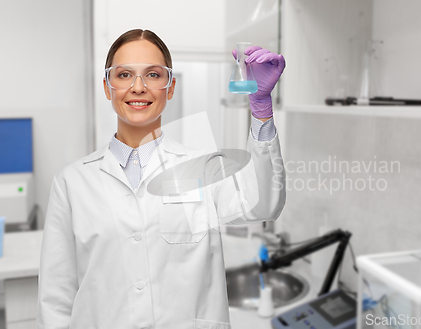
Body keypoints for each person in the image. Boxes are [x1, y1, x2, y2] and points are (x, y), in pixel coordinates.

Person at [36, 29, 286, 329]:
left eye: (153, 75)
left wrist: (261, 109)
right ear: (107, 87)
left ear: (170, 87)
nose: (138, 87)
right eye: (124, 74)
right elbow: (55, 298)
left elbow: (263, 204)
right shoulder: (72, 183)